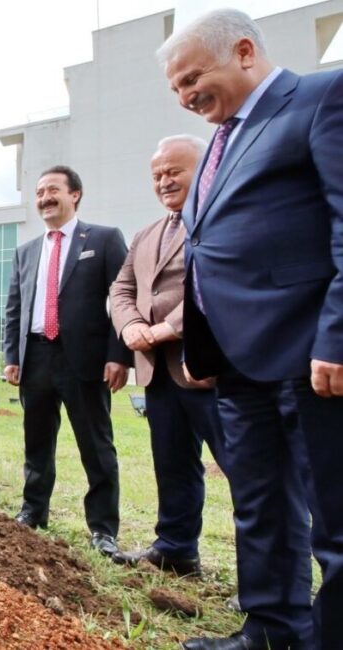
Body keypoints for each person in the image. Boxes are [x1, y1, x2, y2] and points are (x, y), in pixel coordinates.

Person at [159, 9, 343, 650]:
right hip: (239, 364)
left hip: (311, 354)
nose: (185, 97)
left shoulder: (323, 98)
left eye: (191, 79)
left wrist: (338, 336)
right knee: (260, 505)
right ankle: (272, 629)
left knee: (335, 516)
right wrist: (207, 346)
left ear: (242, 51)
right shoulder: (221, 142)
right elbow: (211, 248)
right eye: (176, 90)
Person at [108, 135, 226, 577]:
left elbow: (215, 280)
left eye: (174, 171)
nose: (163, 181)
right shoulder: (147, 234)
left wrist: (166, 327)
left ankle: (266, 580)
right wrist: (131, 326)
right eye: (157, 174)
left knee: (249, 477)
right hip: (158, 374)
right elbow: (121, 288)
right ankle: (176, 550)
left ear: (205, 168)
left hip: (209, 368)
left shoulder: (219, 220)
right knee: (173, 465)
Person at [2, 165, 131, 559]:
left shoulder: (105, 240)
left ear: (75, 194)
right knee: (37, 441)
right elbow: (14, 307)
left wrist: (118, 355)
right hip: (36, 356)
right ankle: (33, 511)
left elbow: (125, 298)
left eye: (53, 190)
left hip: (85, 360)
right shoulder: (25, 251)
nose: (44, 198)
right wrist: (12, 356)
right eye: (39, 192)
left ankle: (103, 529)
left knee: (96, 445)